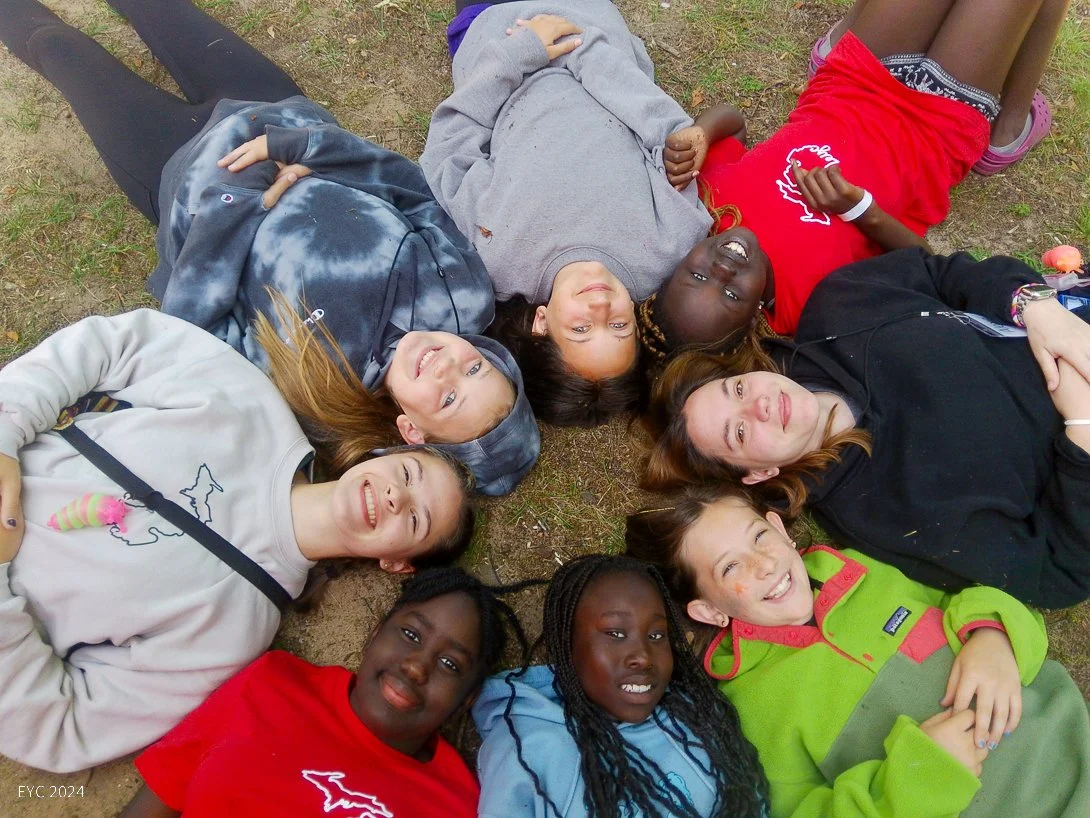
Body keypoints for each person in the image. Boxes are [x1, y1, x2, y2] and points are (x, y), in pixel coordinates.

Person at [0, 0, 540, 495]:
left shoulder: (318, 395)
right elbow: (408, 189)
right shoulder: (462, 293)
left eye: (449, 400)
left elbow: (194, 325)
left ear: (411, 430)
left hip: (181, 169)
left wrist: (238, 201)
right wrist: (305, 148)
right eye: (477, 370)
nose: (449, 368)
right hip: (279, 112)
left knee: (57, 48)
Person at [0, 309, 479, 773]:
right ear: (380, 456)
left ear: (397, 564)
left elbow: (64, 728)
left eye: (416, 519)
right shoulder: (252, 405)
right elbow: (113, 344)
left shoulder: (231, 635)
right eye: (408, 473)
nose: (397, 496)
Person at [642, 248, 1090, 609]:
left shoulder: (839, 304)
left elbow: (944, 273)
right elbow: (1056, 573)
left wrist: (1036, 308)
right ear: (756, 474)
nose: (757, 405)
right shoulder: (880, 517)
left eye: (737, 389)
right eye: (738, 434)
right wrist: (1082, 427)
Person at [636, 0, 1069, 366]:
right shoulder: (811, 305)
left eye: (695, 274)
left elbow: (734, 122)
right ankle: (1006, 130)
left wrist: (701, 132)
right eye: (731, 294)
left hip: (854, 77)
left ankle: (1008, 125)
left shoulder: (707, 207)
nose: (722, 269)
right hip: (936, 126)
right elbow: (924, 267)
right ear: (754, 321)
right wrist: (861, 209)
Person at [625, 487, 1090, 817]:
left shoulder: (865, 568)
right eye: (730, 566)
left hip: (1074, 747)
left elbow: (968, 599)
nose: (764, 564)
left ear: (779, 528)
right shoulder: (750, 711)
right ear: (710, 610)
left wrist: (993, 637)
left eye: (758, 537)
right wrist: (920, 775)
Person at [420, 0, 725, 425]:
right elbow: (666, 135)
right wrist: (581, 44)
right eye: (619, 327)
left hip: (498, 31)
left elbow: (451, 149)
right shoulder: (665, 245)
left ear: (541, 324)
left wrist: (519, 53)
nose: (601, 310)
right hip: (588, 21)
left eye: (581, 330)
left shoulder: (496, 256)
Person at [117, 566, 533, 818]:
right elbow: (161, 794)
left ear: (466, 699)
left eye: (450, 665)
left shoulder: (458, 805)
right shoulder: (273, 684)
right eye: (409, 634)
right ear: (374, 636)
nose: (416, 666)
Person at [473, 554, 768, 818]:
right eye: (615, 633)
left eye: (656, 636)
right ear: (566, 644)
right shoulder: (528, 747)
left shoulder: (696, 722)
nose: (642, 656)